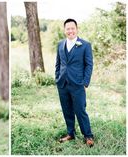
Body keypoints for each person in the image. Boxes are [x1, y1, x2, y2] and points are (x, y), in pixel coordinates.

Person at [55, 18, 94, 147]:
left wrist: (85, 82)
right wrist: (57, 78)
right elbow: (58, 64)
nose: (70, 31)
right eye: (68, 28)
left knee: (80, 110)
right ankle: (70, 133)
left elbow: (89, 65)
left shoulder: (85, 45)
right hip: (63, 84)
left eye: (72, 28)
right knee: (67, 110)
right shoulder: (60, 44)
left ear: (76, 29)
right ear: (64, 30)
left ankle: (88, 135)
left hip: (78, 84)